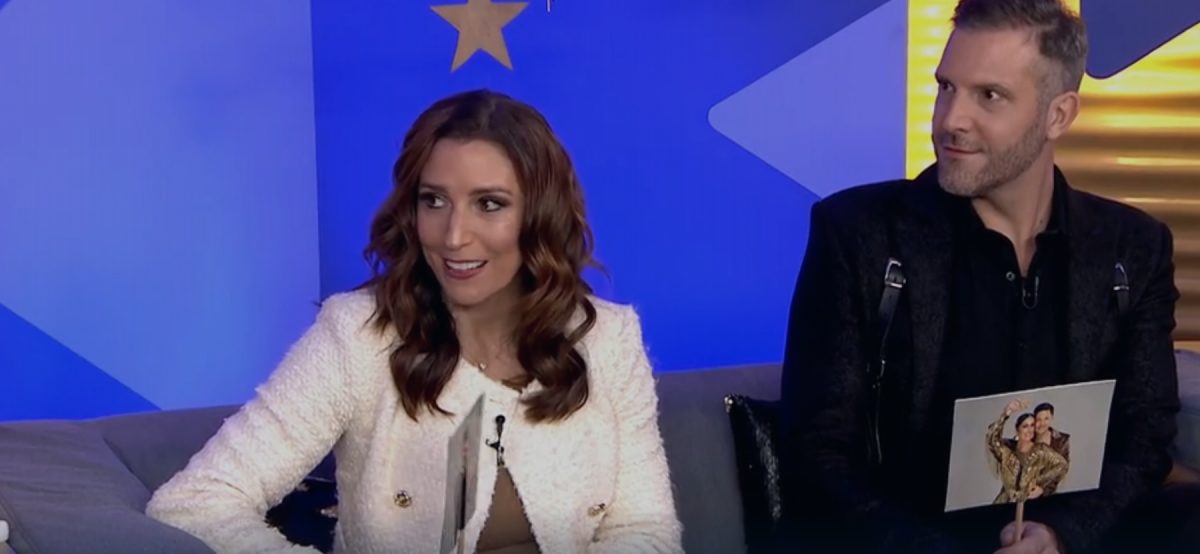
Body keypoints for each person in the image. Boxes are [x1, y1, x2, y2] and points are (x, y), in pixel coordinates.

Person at [146, 89, 683, 554]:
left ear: (539, 215)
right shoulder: (357, 337)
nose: (454, 236)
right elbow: (195, 502)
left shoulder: (607, 339)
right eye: (435, 201)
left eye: (489, 204)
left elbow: (647, 531)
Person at [775, 0, 1198, 552]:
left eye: (989, 96)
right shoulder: (858, 235)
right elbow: (818, 453)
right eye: (946, 87)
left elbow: (1145, 438)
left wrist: (1062, 535)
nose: (950, 119)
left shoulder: (1131, 247)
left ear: (1058, 115)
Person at [988, 402, 1067, 504]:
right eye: (1025, 426)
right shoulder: (1007, 451)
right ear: (1017, 430)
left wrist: (1041, 486)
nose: (1029, 430)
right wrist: (1006, 413)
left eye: (1032, 425)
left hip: (1029, 503)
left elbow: (1062, 465)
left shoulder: (1041, 450)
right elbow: (992, 439)